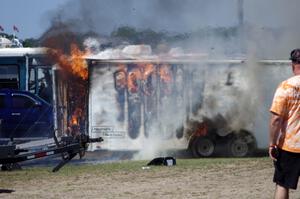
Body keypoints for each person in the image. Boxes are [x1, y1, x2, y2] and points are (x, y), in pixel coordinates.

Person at [269, 48, 300, 198]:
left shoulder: (285, 87)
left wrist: (272, 144)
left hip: (290, 146)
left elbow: (276, 119)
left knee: (282, 184)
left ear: (292, 64)